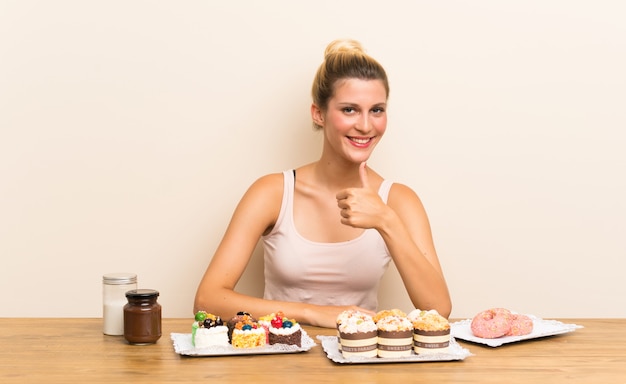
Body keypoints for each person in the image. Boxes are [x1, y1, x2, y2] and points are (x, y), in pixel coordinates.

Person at [194, 39, 451, 328]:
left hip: (362, 362)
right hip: (280, 362)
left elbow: (437, 309)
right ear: (319, 113)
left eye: (377, 110)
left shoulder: (399, 200)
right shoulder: (272, 193)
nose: (366, 125)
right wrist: (311, 312)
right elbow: (208, 300)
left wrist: (386, 221)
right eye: (349, 110)